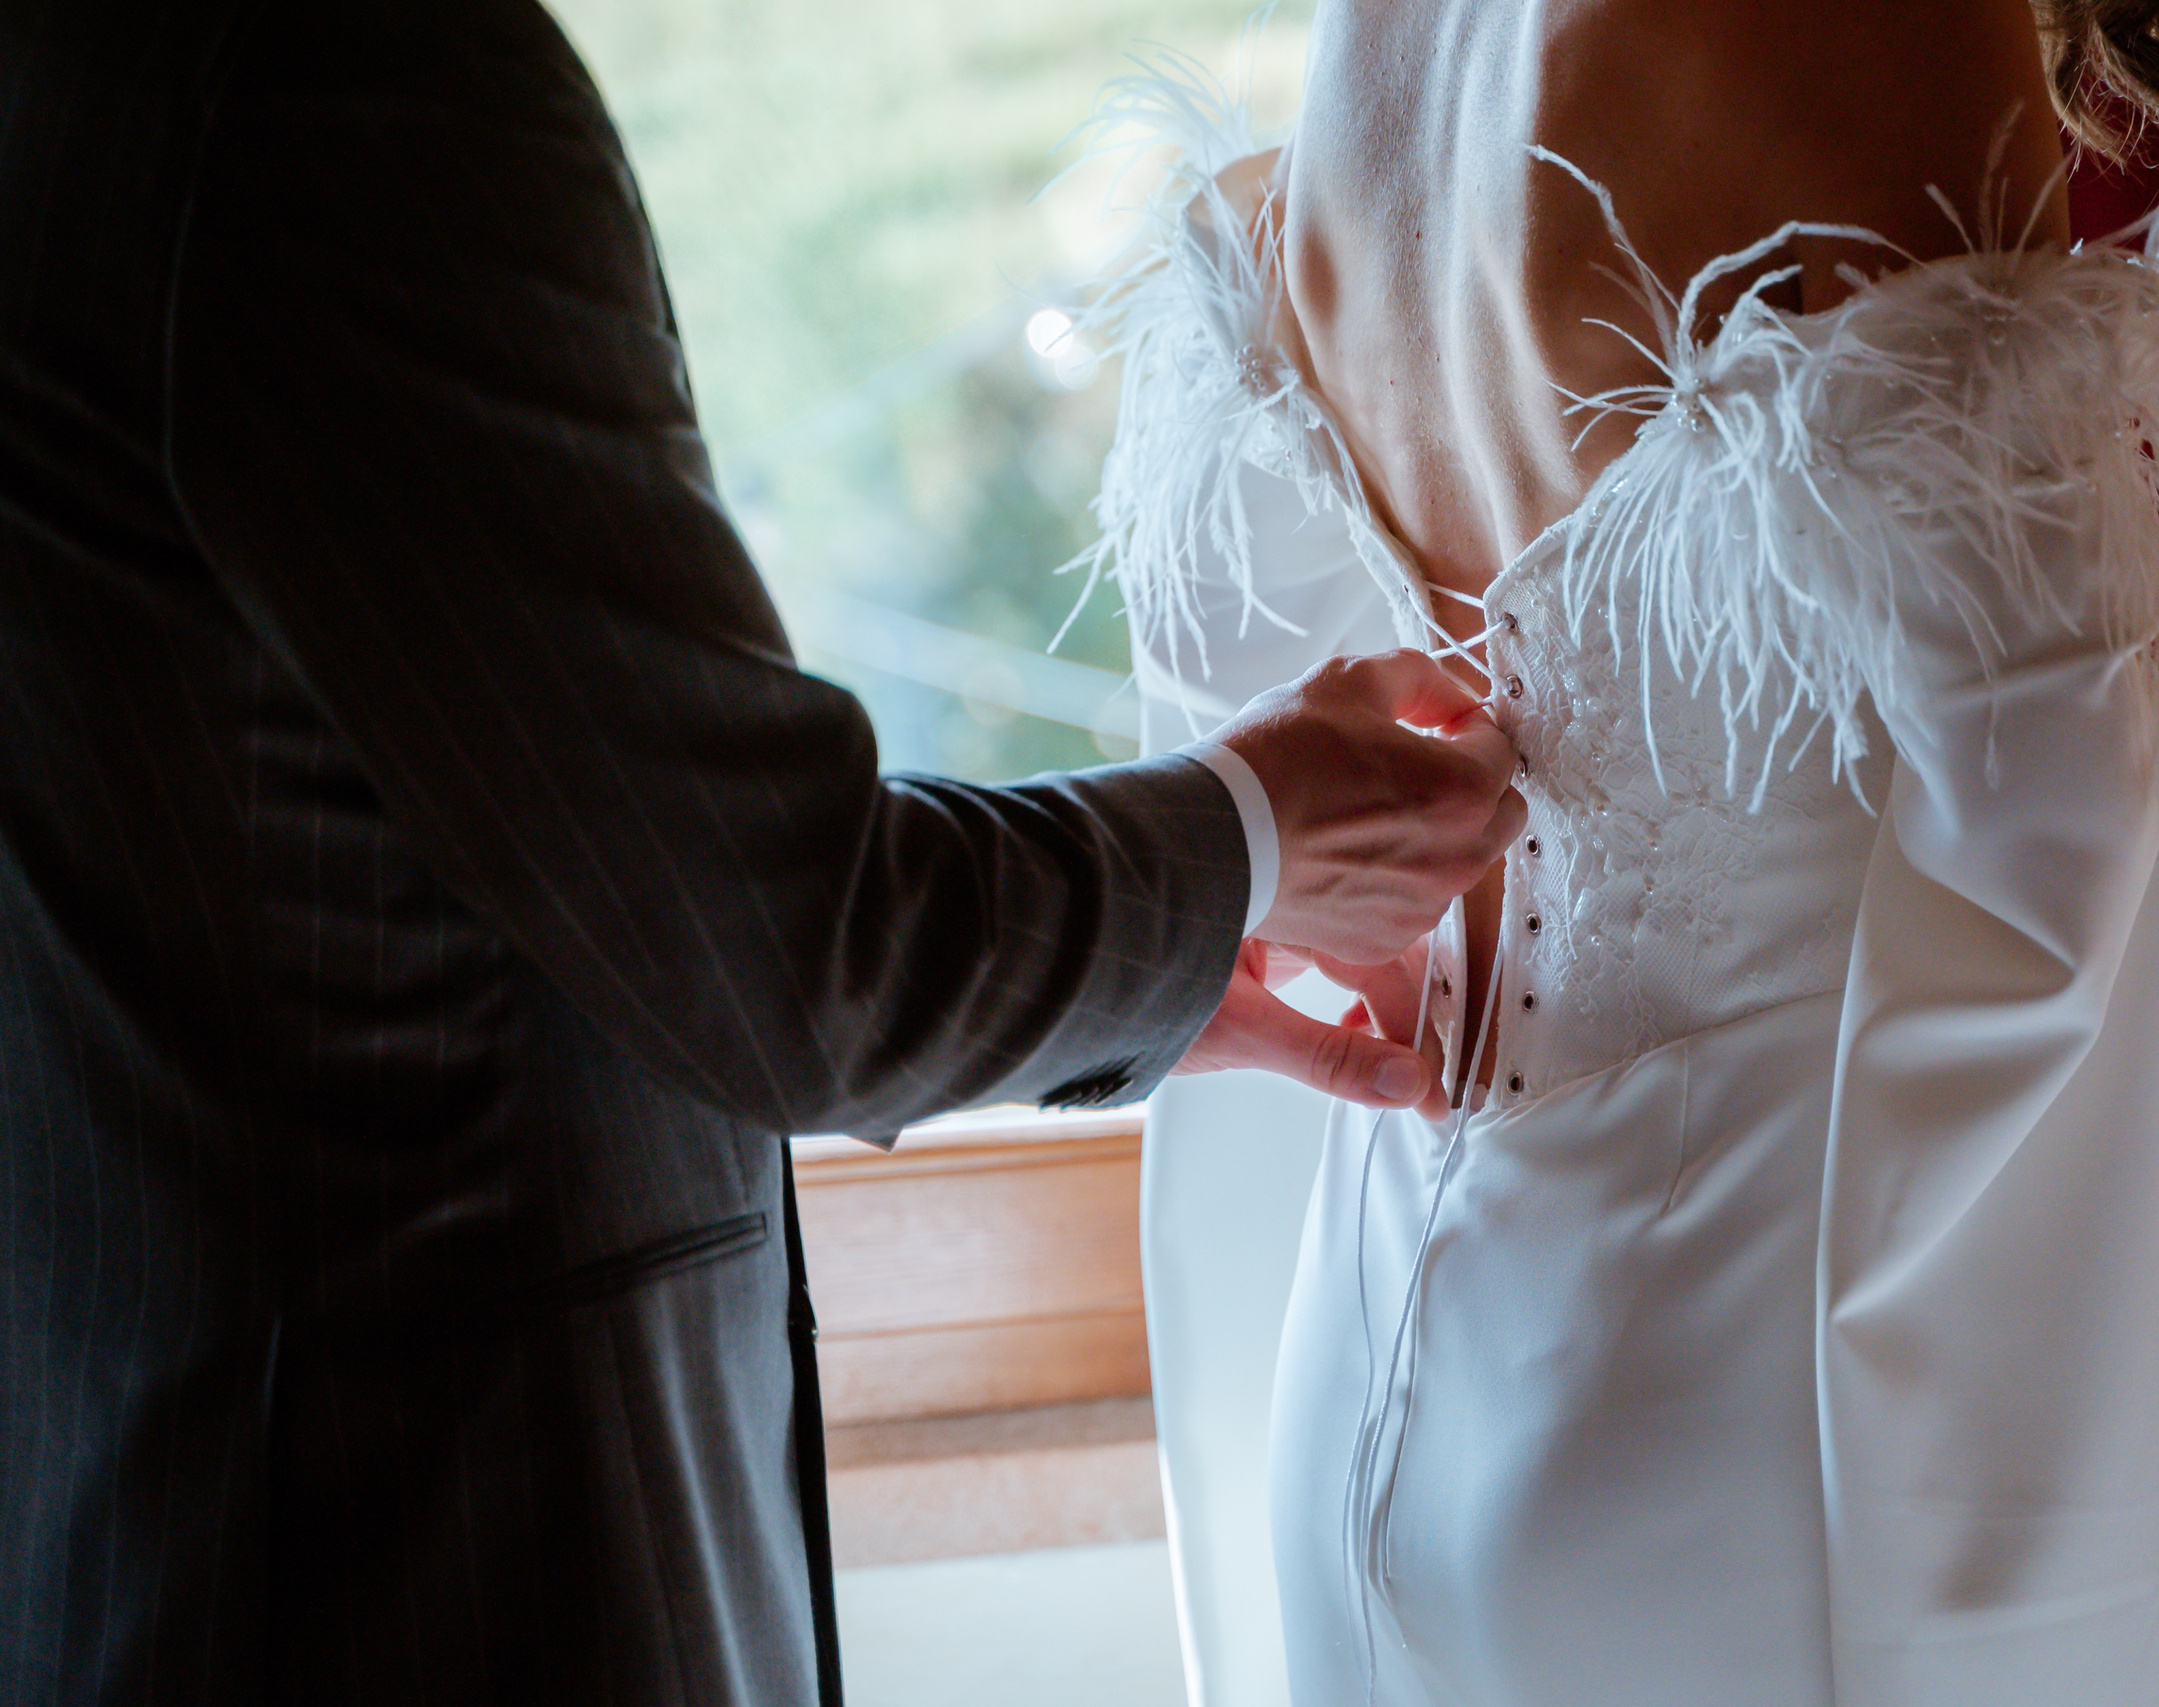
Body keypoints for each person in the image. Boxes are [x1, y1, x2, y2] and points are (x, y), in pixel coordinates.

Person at [0, 2, 1529, 1703]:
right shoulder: (340, 78)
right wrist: (1246, 838)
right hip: (431, 1576)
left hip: (146, 1522)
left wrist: (1158, 953)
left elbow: (557, 826)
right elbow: (788, 950)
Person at [1091, 1, 2159, 1701]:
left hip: (1361, 1347)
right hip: (1744, 1400)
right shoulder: (1876, 31)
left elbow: (1233, 654)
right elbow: (2041, 859)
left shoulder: (1381, 40)